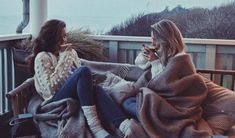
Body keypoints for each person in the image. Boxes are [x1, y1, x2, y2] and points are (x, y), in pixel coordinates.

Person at [27, 19, 113, 138]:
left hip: (70, 92)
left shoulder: (69, 53)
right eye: (60, 37)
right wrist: (65, 57)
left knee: (97, 89)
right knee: (83, 70)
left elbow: (76, 76)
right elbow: (50, 90)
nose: (64, 40)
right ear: (51, 38)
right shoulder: (43, 57)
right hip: (55, 99)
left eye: (65, 36)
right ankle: (95, 126)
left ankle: (125, 125)